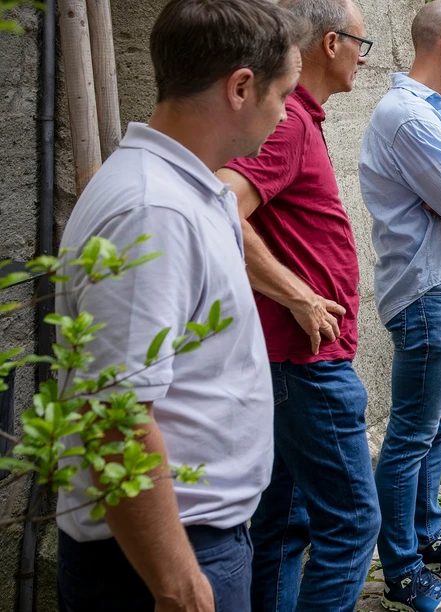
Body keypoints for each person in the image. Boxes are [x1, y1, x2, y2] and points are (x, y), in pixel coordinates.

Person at [53, 1, 300, 610]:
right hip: (164, 556)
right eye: (283, 94)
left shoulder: (181, 190)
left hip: (191, 539)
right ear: (240, 87)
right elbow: (114, 418)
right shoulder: (154, 210)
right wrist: (178, 582)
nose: (285, 112)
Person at [212, 0, 376, 609]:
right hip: (305, 364)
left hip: (289, 362)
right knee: (352, 524)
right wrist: (298, 293)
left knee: (282, 526)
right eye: (361, 44)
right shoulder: (287, 123)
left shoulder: (298, 117)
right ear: (331, 43)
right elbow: (219, 206)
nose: (364, 58)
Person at [358, 1, 441, 609]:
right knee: (411, 433)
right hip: (425, 289)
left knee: (436, 426)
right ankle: (402, 569)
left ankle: (427, 535)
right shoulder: (409, 117)